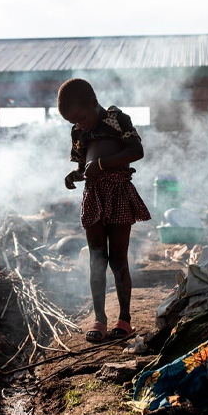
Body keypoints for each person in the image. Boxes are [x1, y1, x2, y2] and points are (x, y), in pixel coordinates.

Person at [58, 78, 151, 343]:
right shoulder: (78, 133)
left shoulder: (117, 118)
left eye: (82, 117)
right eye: (73, 122)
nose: (80, 124)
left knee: (118, 259)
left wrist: (102, 163)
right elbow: (83, 166)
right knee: (96, 259)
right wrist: (74, 175)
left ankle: (125, 319)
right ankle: (100, 319)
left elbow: (137, 150)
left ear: (93, 103)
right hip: (93, 195)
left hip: (119, 191)